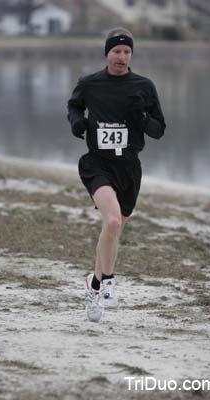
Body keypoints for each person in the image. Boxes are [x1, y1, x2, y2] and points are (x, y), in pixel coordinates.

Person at [67, 27, 166, 322]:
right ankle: (108, 281)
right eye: (116, 51)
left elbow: (159, 130)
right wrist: (77, 123)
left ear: (131, 55)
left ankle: (93, 285)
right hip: (97, 163)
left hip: (129, 168)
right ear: (107, 53)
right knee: (111, 221)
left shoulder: (144, 87)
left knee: (113, 229)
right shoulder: (90, 83)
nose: (121, 57)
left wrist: (142, 117)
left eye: (126, 52)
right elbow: (74, 106)